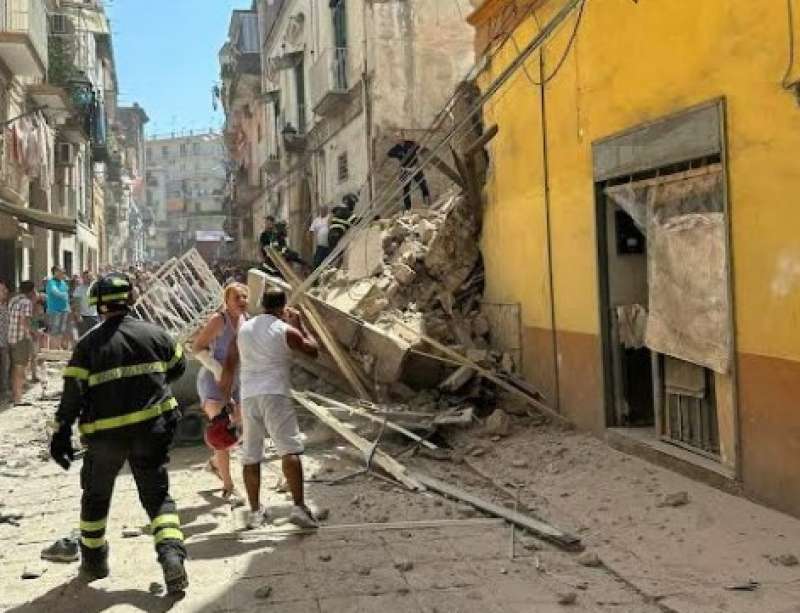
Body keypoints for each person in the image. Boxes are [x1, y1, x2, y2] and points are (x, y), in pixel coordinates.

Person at [50, 273, 189, 593]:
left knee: (96, 497)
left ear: (98, 306)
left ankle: (94, 561)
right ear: (130, 300)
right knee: (156, 497)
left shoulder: (87, 346)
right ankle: (171, 557)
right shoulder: (157, 334)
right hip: (151, 432)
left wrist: (60, 434)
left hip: (105, 439)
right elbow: (178, 367)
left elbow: (72, 394)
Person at [220, 288, 320, 530]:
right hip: (275, 394)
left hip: (249, 396)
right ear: (283, 307)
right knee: (290, 449)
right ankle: (298, 508)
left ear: (262, 304)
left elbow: (230, 364)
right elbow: (313, 351)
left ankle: (255, 512)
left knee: (251, 454)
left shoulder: (243, 330)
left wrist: (226, 399)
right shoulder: (285, 330)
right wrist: (300, 323)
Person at [193, 282, 249, 505]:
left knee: (240, 427)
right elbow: (196, 348)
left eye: (245, 296)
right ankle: (228, 485)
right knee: (221, 429)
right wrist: (217, 370)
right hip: (213, 381)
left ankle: (216, 462)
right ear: (227, 301)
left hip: (236, 381)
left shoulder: (247, 320)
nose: (242, 301)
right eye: (237, 297)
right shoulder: (219, 320)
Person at [7, 281, 36, 405]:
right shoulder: (27, 302)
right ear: (31, 291)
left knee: (14, 368)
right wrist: (34, 333)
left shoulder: (13, 300)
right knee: (20, 369)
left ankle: (15, 396)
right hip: (21, 338)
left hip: (11, 338)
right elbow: (25, 321)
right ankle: (18, 399)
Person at [388, 140, 432, 210]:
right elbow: (389, 154)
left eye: (399, 137)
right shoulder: (396, 148)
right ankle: (408, 208)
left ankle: (427, 204)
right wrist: (399, 156)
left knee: (423, 185)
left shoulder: (410, 144)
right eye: (396, 138)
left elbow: (421, 148)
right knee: (406, 190)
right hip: (405, 170)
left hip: (415, 168)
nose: (398, 139)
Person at [45, 266, 71, 350]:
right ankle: (53, 351)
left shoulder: (63, 282)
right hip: (54, 310)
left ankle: (57, 348)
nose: (62, 273)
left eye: (63, 272)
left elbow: (67, 295)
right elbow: (55, 292)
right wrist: (64, 295)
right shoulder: (51, 282)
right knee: (54, 331)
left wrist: (68, 308)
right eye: (61, 272)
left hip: (64, 310)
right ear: (55, 272)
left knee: (61, 331)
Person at [73, 271, 99, 337]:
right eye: (86, 277)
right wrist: (78, 315)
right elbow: (76, 303)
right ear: (83, 278)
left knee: (95, 337)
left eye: (90, 276)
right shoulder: (79, 289)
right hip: (83, 317)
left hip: (95, 316)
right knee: (83, 337)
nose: (88, 278)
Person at [0, 280, 10, 403]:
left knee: (5, 367)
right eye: (2, 290)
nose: (5, 292)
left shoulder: (6, 306)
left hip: (5, 342)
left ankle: (4, 390)